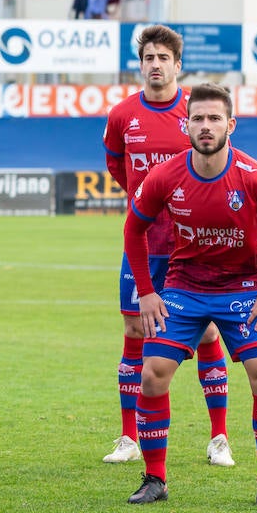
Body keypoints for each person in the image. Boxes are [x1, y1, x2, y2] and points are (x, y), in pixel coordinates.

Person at [123, 83, 257, 506]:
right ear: (185, 124)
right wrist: (148, 291)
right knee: (153, 373)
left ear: (231, 125)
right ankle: (154, 479)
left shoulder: (255, 176)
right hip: (185, 285)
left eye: (214, 119)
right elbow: (133, 229)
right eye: (197, 119)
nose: (205, 127)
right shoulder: (166, 175)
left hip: (245, 286)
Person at [102, 25, 231, 466]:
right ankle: (128, 437)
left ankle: (219, 437)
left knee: (209, 330)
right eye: (148, 58)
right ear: (141, 65)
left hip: (192, 247)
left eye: (164, 58)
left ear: (178, 65)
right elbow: (117, 165)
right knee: (135, 332)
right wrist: (146, 202)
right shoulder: (122, 115)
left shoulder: (196, 112)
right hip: (142, 243)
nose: (155, 65)